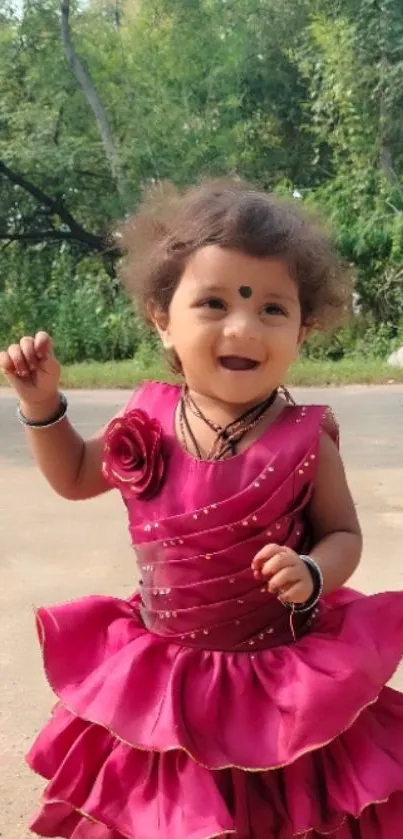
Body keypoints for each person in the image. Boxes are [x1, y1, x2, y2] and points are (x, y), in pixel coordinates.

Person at [1, 179, 403, 839]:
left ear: (304, 325)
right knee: (175, 811)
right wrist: (43, 407)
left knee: (286, 808)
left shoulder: (304, 438)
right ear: (162, 315)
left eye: (272, 308)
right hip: (171, 675)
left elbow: (342, 532)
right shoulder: (148, 418)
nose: (242, 326)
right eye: (213, 301)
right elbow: (75, 474)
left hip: (278, 678)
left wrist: (312, 568)